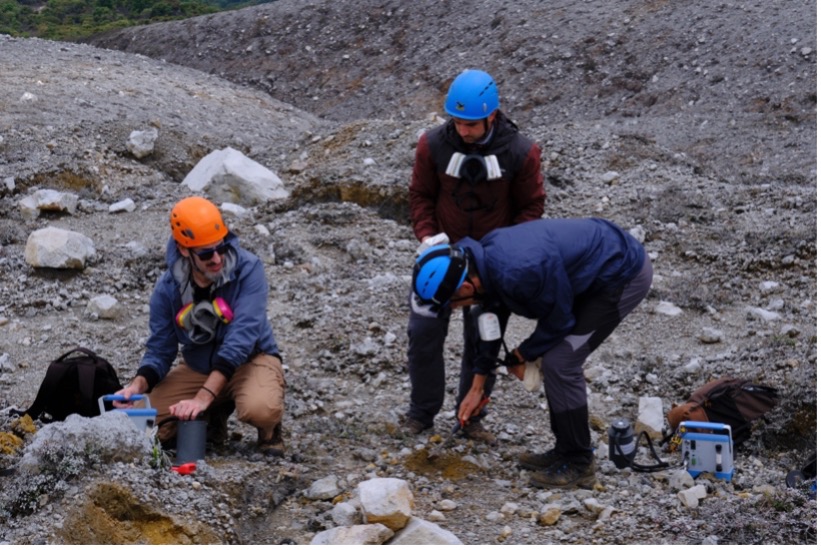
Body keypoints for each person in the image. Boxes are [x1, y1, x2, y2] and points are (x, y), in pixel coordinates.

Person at [411, 218, 653, 489]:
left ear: (466, 287)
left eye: (453, 305)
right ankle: (564, 450)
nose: (456, 310)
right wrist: (478, 384)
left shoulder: (519, 271)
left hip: (622, 273)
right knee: (554, 359)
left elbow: (560, 321)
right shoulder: (483, 262)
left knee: (561, 362)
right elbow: (491, 318)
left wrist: (522, 352)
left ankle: (579, 462)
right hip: (588, 270)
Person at [404, 68, 546, 443]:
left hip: (493, 265)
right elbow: (419, 195)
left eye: (471, 124)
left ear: (492, 116)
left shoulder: (521, 152)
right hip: (439, 260)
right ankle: (421, 414)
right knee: (423, 335)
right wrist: (428, 238)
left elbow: (531, 207)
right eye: (458, 121)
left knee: (484, 339)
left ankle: (472, 418)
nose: (463, 130)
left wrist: (508, 252)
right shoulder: (432, 145)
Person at [116, 196, 286, 456]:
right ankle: (212, 416)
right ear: (185, 250)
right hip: (199, 367)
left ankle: (270, 431)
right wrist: (137, 386)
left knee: (260, 409)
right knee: (140, 425)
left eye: (221, 247)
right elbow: (161, 349)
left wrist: (203, 396)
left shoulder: (249, 268)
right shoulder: (168, 289)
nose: (217, 258)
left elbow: (241, 338)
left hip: (252, 359)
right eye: (206, 253)